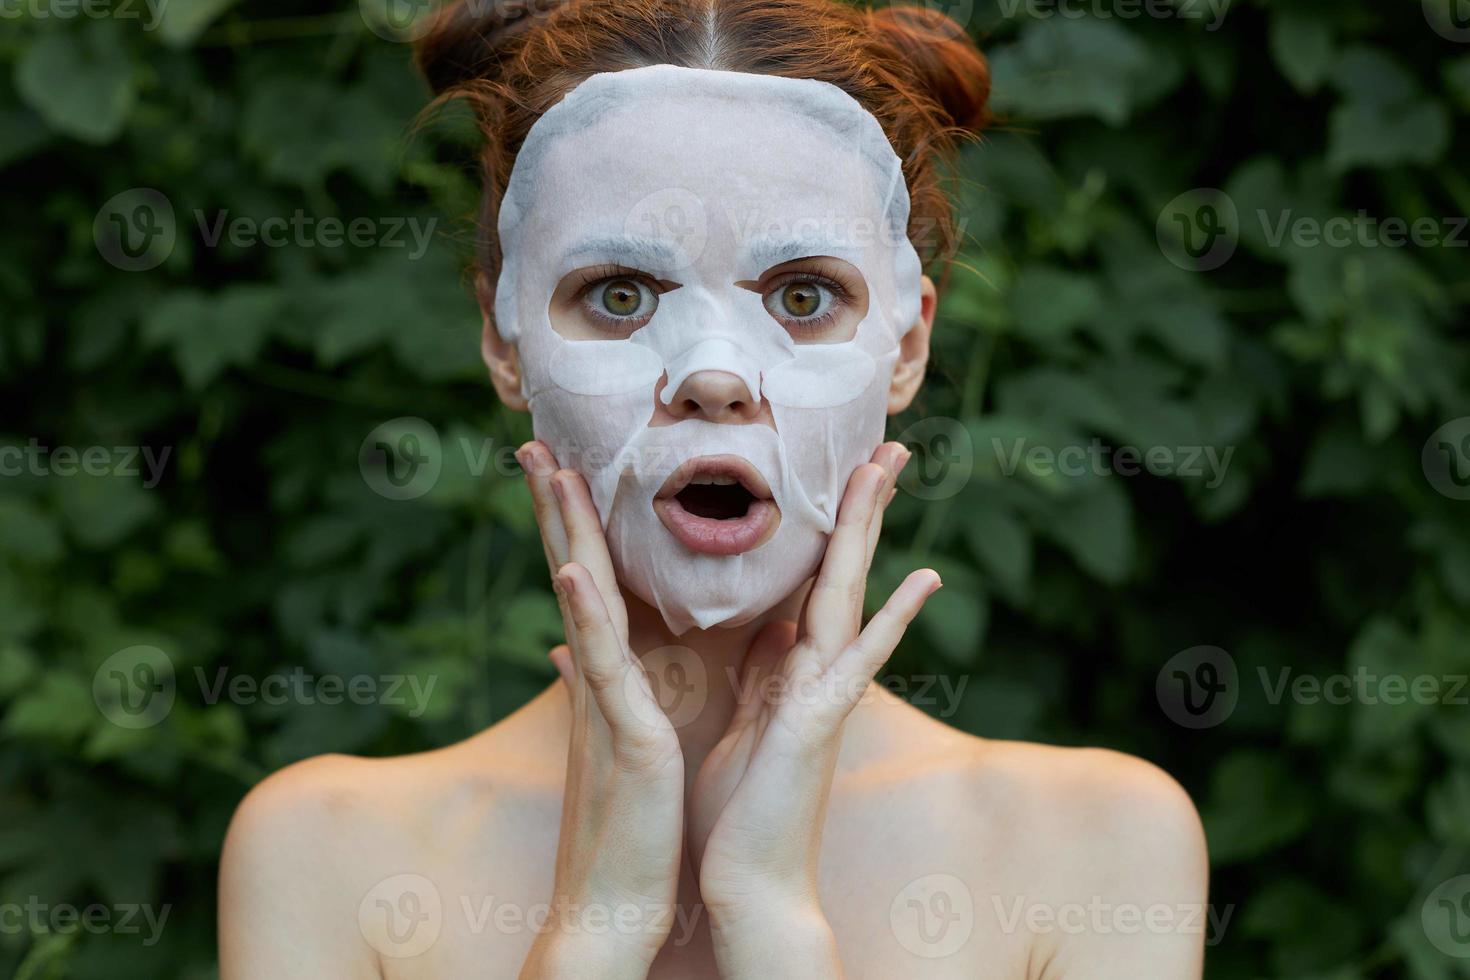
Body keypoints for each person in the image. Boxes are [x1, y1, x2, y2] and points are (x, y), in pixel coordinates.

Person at [219, 1, 1208, 976]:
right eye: (619, 294)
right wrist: (594, 931)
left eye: (802, 296)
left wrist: (771, 918)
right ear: (502, 337)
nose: (716, 377)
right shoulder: (329, 853)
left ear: (907, 345)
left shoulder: (1096, 850)